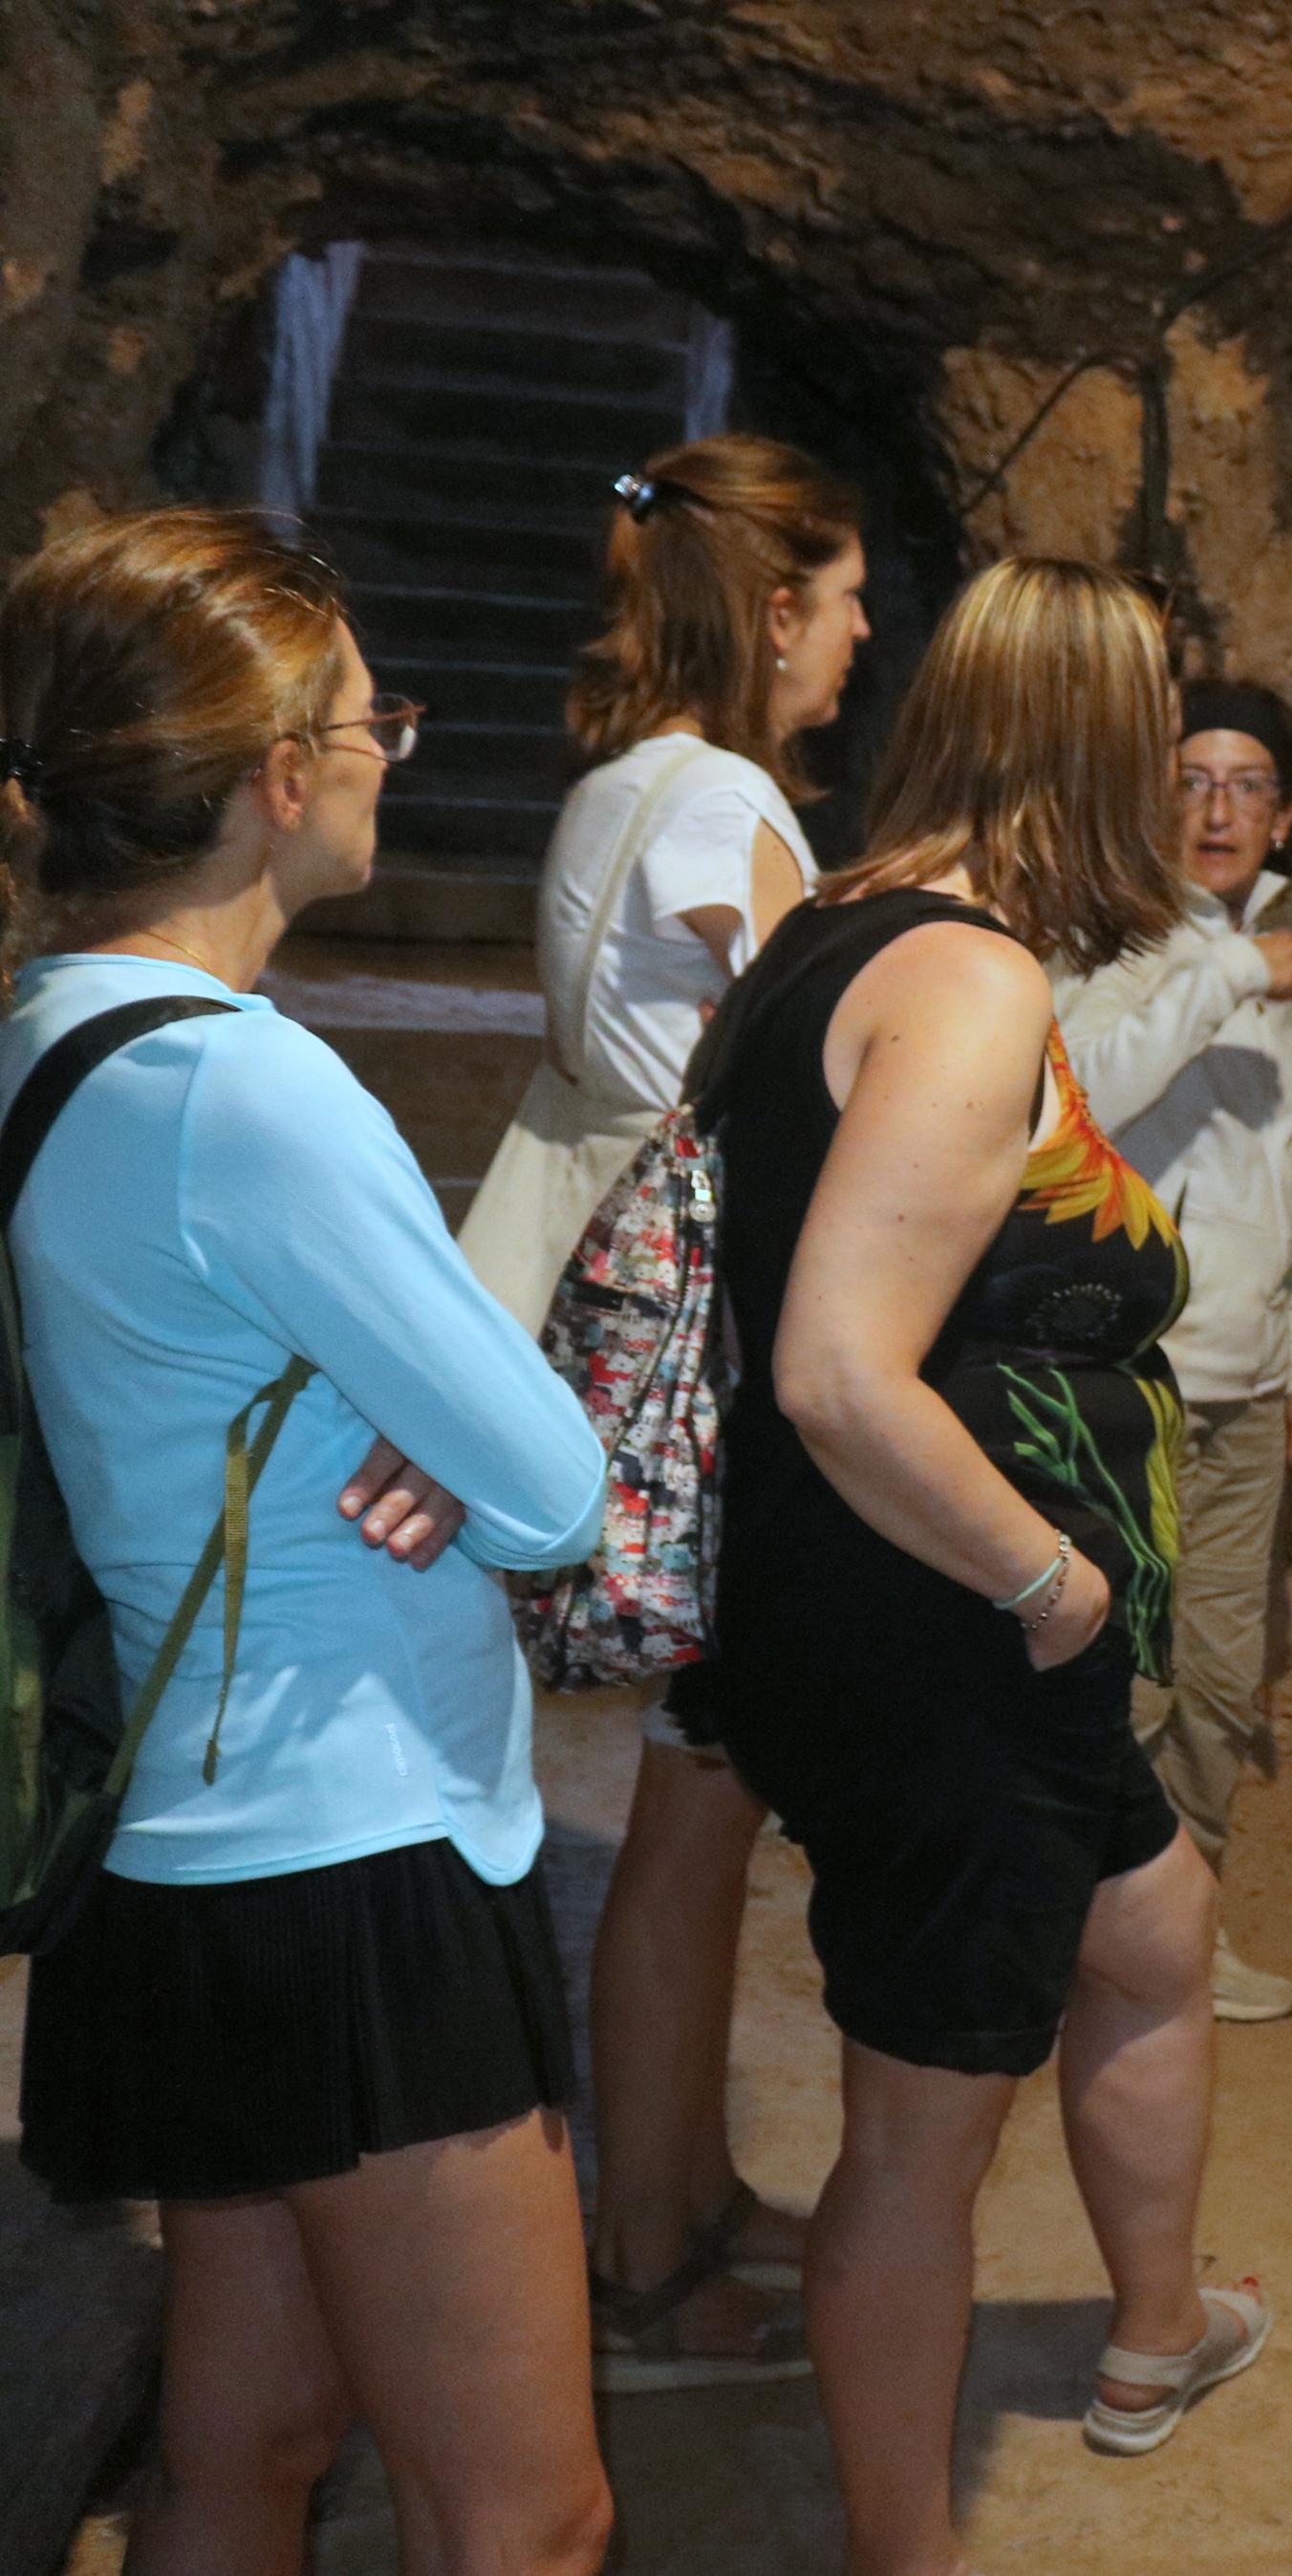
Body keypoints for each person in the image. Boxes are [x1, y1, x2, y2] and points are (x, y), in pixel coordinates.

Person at [2, 508, 612, 2570]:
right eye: (374, 721)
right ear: (278, 779)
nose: (385, 751)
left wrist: (411, 1404)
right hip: (353, 1865)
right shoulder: (246, 1090)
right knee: (524, 2515)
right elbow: (549, 1483)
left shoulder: (47, 1038)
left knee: (242, 2450)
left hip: (176, 1856)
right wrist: (438, 1419)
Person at [690, 556, 1257, 2576]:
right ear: (1101, 753)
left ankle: (1160, 2321)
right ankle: (898, 2548)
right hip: (944, 1622)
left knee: (1155, 1928)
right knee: (920, 2137)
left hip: (893, 1608)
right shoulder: (968, 979)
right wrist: (1047, 1580)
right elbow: (842, 1364)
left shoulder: (831, 925)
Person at [464, 434, 871, 2392]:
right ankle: (648, 2253)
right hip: (701, 1366)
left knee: (704, 1803)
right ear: (774, 606)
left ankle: (692, 2184)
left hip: (626, 1325)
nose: (867, 632)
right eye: (847, 595)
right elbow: (798, 1078)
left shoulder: (616, 784)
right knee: (697, 1816)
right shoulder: (719, 805)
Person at [1055, 679, 1292, 2023]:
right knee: (1134, 1686)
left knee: (1221, 1692)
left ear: (1287, 817)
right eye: (1193, 782)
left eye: (1246, 787)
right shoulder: (1112, 938)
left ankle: (1184, 1939)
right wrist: (1225, 969)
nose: (1218, 811)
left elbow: (1284, 1176)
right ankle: (1091, 1936)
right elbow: (1088, 1091)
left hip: (1251, 1380)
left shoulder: (1277, 950)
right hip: (1134, 1377)